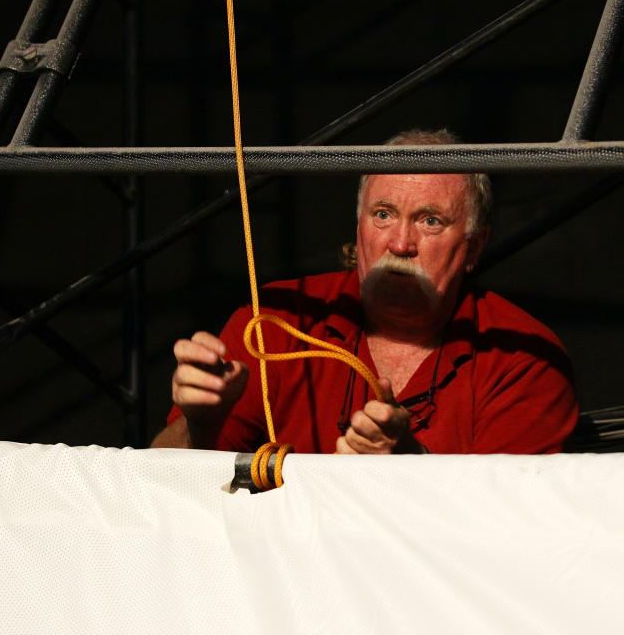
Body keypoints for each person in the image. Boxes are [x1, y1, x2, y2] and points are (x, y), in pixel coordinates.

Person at [152, 129, 578, 454]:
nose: (399, 243)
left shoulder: (525, 356)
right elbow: (160, 491)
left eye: (430, 220)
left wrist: (406, 470)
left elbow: (514, 540)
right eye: (383, 214)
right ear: (357, 229)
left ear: (475, 246)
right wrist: (199, 423)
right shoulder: (274, 320)